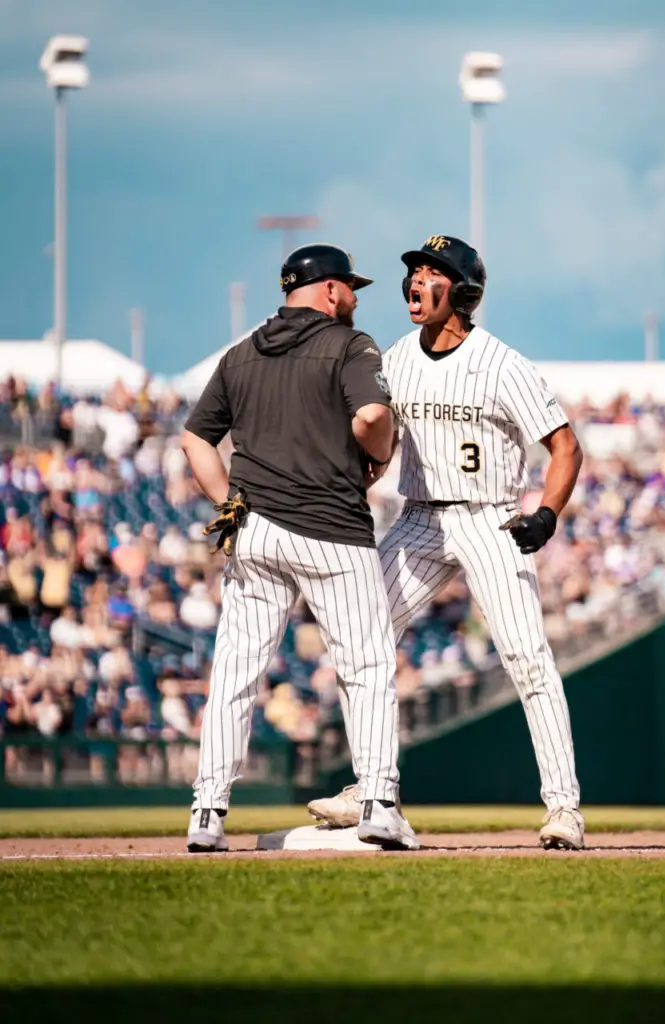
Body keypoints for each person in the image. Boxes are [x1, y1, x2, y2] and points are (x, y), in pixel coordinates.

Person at [308, 234, 585, 850]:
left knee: (526, 658)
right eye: (413, 272)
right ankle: (371, 786)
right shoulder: (399, 357)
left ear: (460, 290)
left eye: (430, 272)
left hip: (490, 518)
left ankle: (563, 807)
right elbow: (375, 439)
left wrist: (546, 513)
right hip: (417, 520)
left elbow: (564, 445)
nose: (414, 281)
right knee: (361, 635)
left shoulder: (502, 363)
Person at [181, 243, 419, 852]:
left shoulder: (240, 353)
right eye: (351, 286)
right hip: (333, 530)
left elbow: (194, 441)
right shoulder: (350, 344)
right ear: (331, 290)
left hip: (256, 529)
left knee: (236, 671)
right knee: (365, 667)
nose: (357, 297)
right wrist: (379, 454)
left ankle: (207, 812)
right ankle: (378, 801)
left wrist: (227, 502)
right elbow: (370, 416)